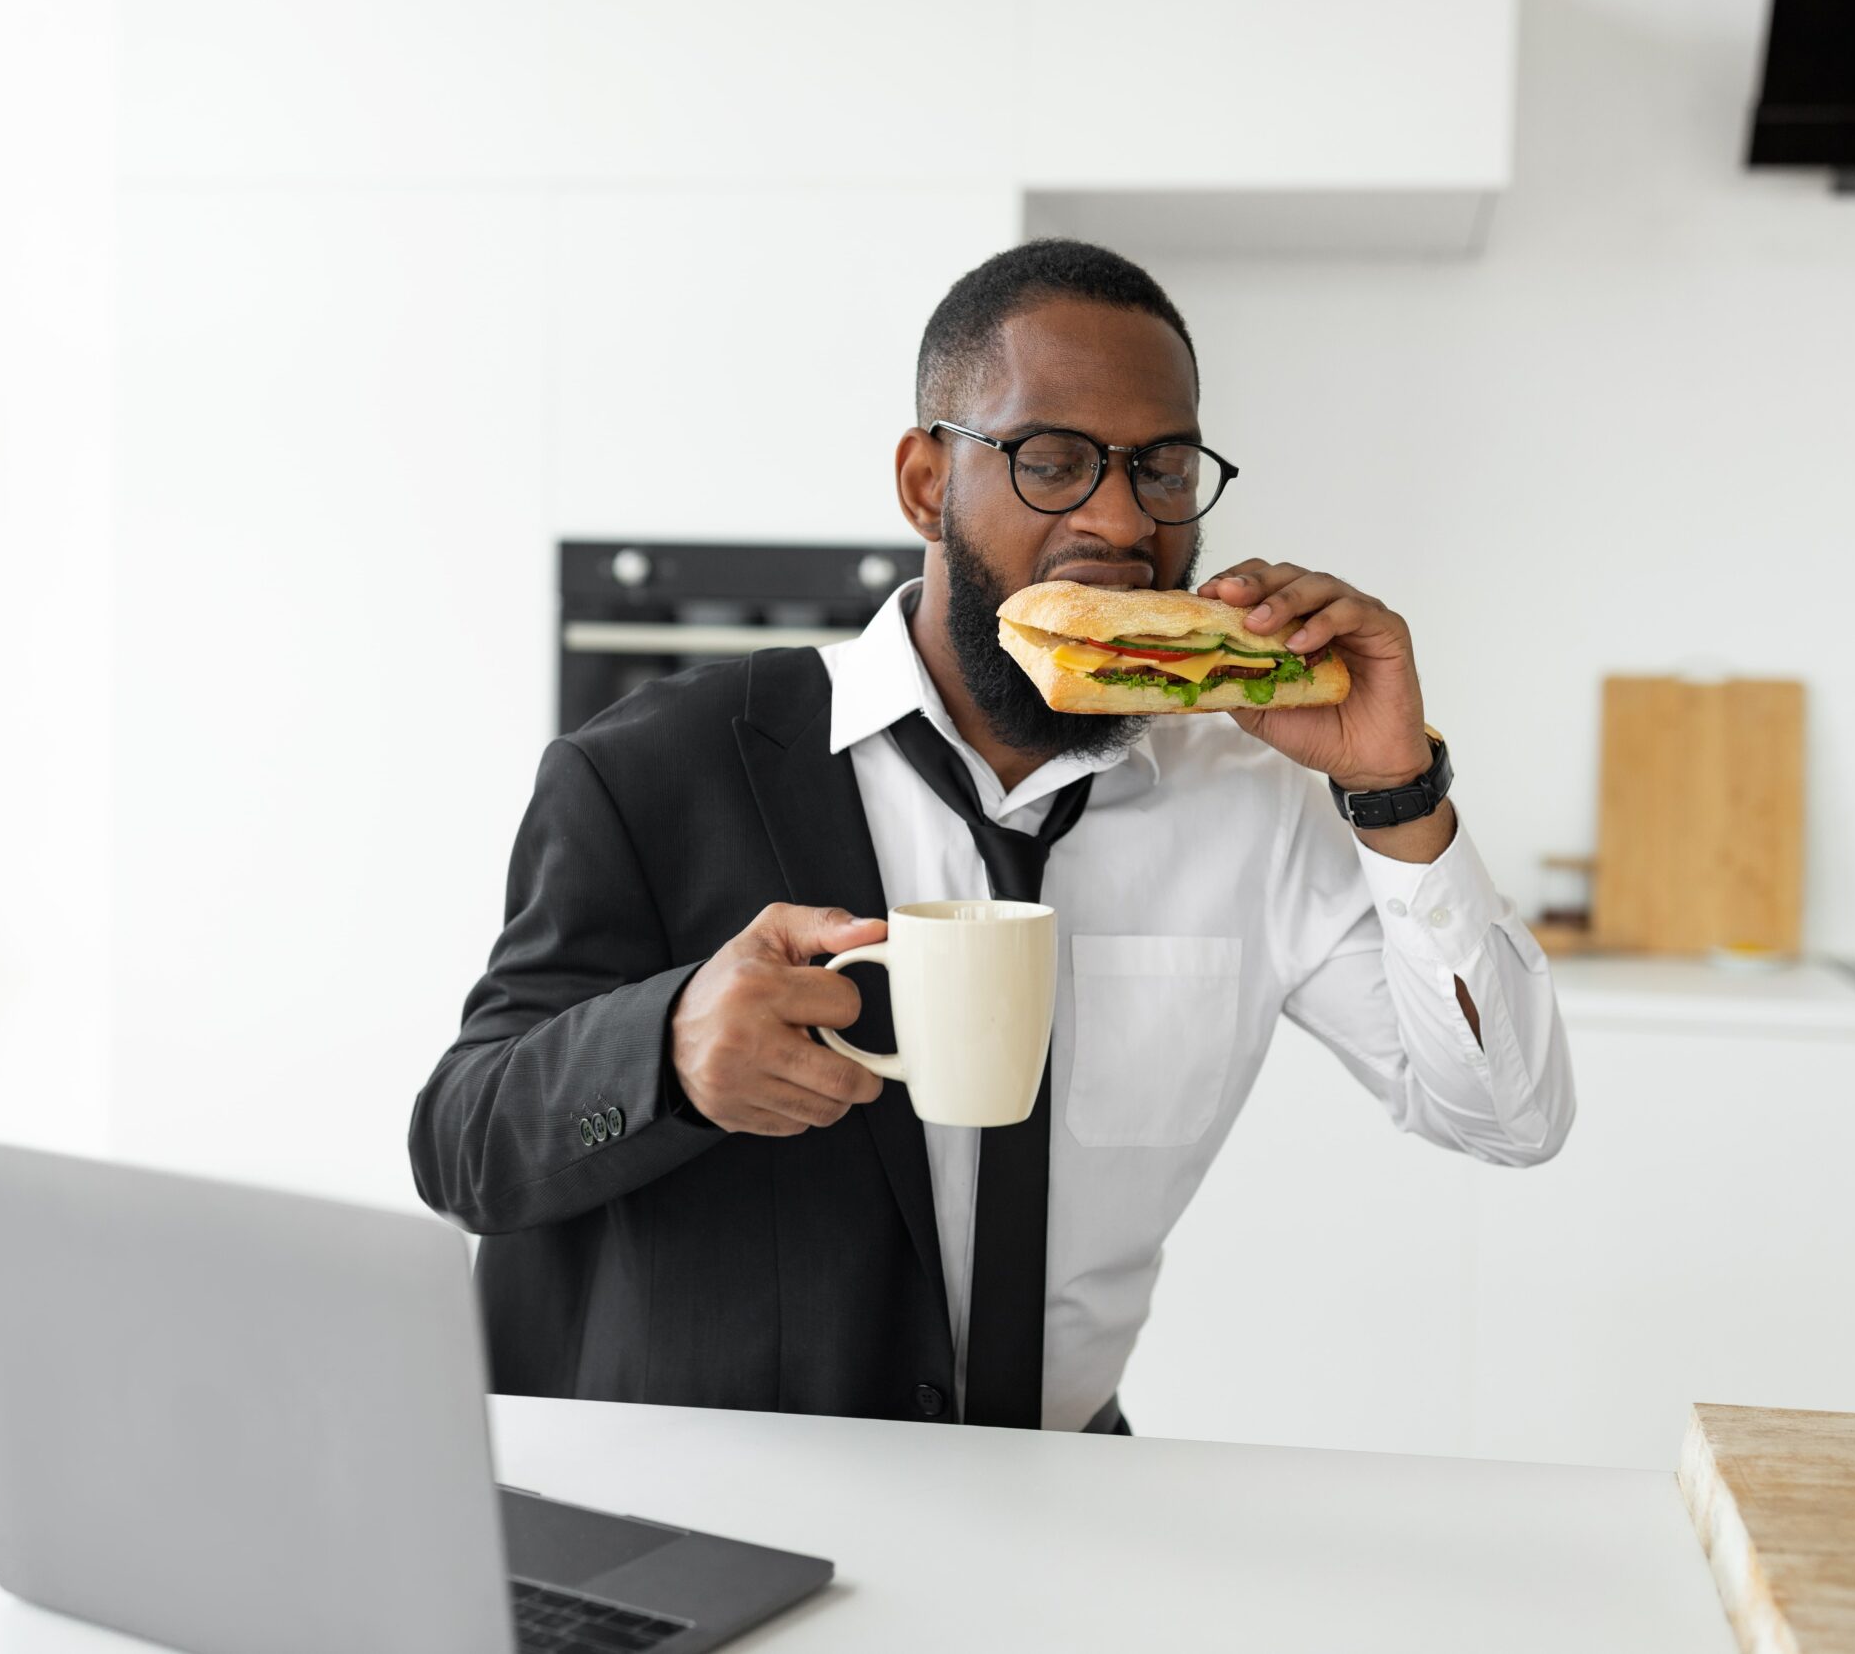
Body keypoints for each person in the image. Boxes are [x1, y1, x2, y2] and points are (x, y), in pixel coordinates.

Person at [409, 239, 1574, 1434]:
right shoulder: (651, 765)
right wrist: (666, 1053)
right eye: (1052, 461)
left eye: (1163, 469)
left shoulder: (1258, 796)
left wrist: (1393, 791)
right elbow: (462, 1147)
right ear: (925, 484)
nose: (1122, 521)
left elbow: (1508, 1117)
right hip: (723, 1504)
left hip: (1065, 1484)